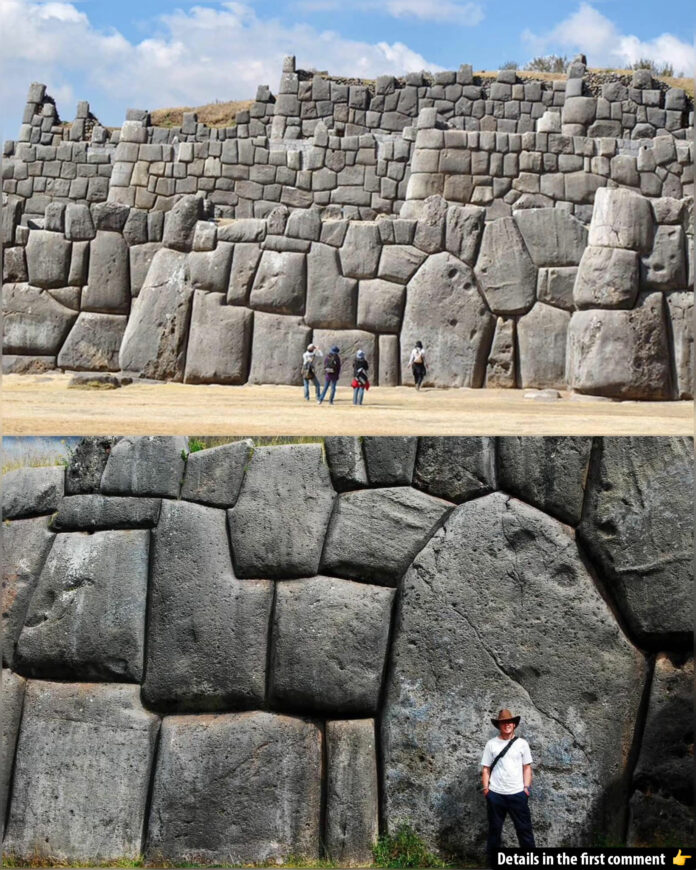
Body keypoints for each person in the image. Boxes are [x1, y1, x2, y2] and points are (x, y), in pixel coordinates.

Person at [481, 709, 535, 868]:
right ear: (499, 725)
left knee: (524, 831)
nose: (507, 725)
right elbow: (486, 768)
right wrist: (486, 790)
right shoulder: (491, 744)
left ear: (514, 724)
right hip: (496, 794)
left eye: (510, 722)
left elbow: (527, 767)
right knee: (494, 832)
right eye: (504, 722)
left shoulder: (522, 744)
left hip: (517, 794)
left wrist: (526, 788)